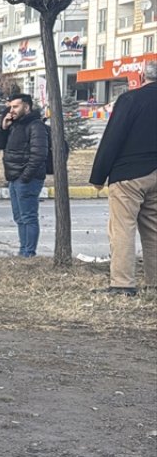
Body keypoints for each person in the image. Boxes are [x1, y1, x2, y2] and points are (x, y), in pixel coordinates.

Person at [88, 59, 157, 296]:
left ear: (141, 75)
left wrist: (98, 176)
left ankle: (122, 284)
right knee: (154, 229)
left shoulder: (130, 99)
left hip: (129, 174)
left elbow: (113, 138)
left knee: (122, 228)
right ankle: (154, 282)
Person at [0, 94, 49, 258]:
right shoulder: (14, 125)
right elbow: (0, 144)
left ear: (27, 107)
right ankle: (23, 250)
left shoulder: (35, 125)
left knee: (28, 217)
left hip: (27, 179)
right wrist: (3, 128)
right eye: (11, 107)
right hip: (14, 178)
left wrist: (25, 176)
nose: (12, 110)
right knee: (19, 217)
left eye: (16, 107)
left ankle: (28, 253)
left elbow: (39, 154)